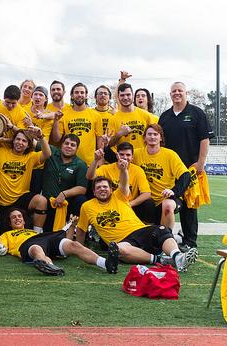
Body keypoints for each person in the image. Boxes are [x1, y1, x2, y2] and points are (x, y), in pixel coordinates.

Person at [75, 160, 197, 272]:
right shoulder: (87, 206)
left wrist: (123, 170)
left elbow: (123, 183)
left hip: (140, 230)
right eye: (99, 188)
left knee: (161, 229)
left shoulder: (119, 195)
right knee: (118, 250)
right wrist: (80, 249)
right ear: (94, 192)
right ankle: (161, 260)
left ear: (111, 190)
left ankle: (178, 257)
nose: (102, 189)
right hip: (122, 242)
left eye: (105, 187)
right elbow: (81, 230)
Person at [159, 81, 214, 250]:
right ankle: (165, 239)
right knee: (168, 201)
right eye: (174, 91)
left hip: (189, 167)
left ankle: (190, 242)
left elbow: (204, 139)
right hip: (170, 169)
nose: (177, 93)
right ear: (170, 94)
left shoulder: (196, 113)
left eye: (180, 91)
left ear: (186, 93)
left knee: (189, 205)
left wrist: (200, 162)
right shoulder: (165, 116)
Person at [0, 208, 119, 275]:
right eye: (13, 217)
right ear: (10, 222)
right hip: (27, 245)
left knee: (74, 244)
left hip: (45, 238)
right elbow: (0, 250)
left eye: (19, 216)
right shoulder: (7, 234)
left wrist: (72, 225)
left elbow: (66, 242)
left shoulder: (34, 231)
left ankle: (106, 264)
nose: (17, 219)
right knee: (36, 249)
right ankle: (48, 266)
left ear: (24, 220)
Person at [0, 128, 51, 233]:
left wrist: (41, 136)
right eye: (18, 139)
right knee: (0, 234)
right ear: (13, 141)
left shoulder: (31, 157)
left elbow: (47, 154)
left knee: (41, 201)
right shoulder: (1, 152)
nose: (20, 143)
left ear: (28, 145)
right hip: (0, 200)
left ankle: (36, 233)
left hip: (20, 199)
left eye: (24, 141)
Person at [132, 124, 191, 234]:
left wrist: (173, 191)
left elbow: (185, 175)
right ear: (144, 137)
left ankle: (166, 237)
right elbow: (119, 157)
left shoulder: (170, 155)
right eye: (149, 134)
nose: (152, 137)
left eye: (155, 134)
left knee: (167, 205)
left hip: (166, 198)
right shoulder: (136, 154)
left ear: (161, 137)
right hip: (146, 199)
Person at [27, 134, 88, 232]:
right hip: (47, 203)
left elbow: (82, 188)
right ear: (61, 145)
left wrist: (64, 194)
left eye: (72, 145)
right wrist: (12, 127)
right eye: (66, 143)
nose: (69, 146)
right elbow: (30, 141)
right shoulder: (51, 151)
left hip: (66, 205)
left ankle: (73, 226)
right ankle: (35, 231)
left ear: (77, 149)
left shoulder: (81, 164)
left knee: (81, 199)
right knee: (48, 231)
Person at [86, 141, 151, 209]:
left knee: (149, 203)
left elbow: (147, 193)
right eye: (122, 154)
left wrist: (130, 204)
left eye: (128, 155)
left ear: (132, 157)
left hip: (129, 206)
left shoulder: (138, 170)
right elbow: (89, 177)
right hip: (110, 205)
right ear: (117, 156)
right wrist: (96, 160)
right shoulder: (107, 168)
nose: (125, 157)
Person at [51, 82, 102, 166]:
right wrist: (56, 121)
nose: (79, 95)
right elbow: (56, 139)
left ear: (86, 95)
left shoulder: (96, 115)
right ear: (71, 95)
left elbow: (99, 140)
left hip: (89, 163)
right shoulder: (64, 114)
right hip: (68, 161)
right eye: (76, 92)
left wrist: (99, 159)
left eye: (82, 92)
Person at [108, 83, 154, 153]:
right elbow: (109, 144)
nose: (125, 98)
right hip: (124, 159)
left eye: (128, 94)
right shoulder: (113, 119)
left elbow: (156, 138)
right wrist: (119, 134)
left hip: (143, 158)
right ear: (118, 97)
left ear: (133, 96)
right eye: (122, 95)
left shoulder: (146, 115)